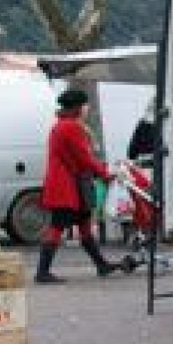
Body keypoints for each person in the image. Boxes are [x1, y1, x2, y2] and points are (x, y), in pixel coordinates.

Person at [36, 89, 118, 284]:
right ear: (78, 107)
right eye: (85, 104)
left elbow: (81, 158)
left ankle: (101, 265)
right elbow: (84, 158)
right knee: (57, 226)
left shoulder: (62, 125)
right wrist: (105, 174)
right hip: (66, 185)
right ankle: (42, 272)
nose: (87, 108)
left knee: (84, 224)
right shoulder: (70, 127)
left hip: (72, 184)